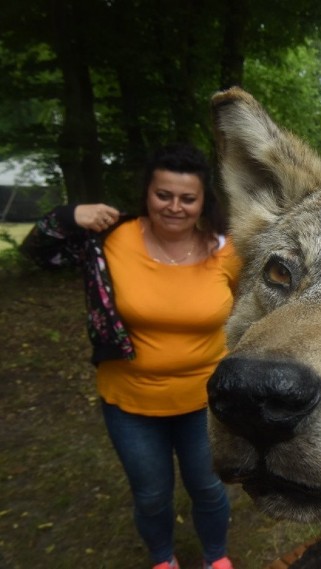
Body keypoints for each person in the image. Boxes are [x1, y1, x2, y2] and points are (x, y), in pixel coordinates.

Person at [22, 143, 239, 569]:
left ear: (202, 201)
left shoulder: (226, 249)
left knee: (208, 487)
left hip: (204, 399)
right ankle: (163, 559)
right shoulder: (110, 240)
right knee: (152, 493)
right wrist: (69, 216)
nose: (174, 207)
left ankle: (216, 557)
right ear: (147, 193)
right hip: (130, 399)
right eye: (164, 195)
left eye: (187, 198)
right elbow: (38, 253)